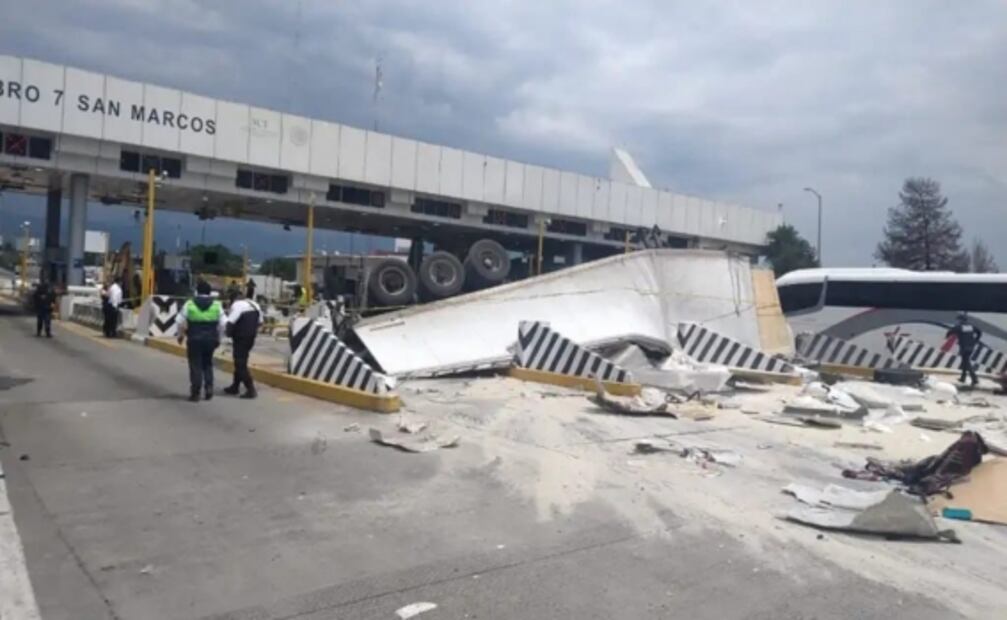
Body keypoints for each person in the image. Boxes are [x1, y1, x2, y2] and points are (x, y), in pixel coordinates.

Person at [177, 280, 226, 402]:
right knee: (207, 364)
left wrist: (180, 335)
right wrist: (219, 338)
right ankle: (209, 388)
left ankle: (196, 392)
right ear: (210, 292)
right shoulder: (217, 305)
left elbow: (178, 321)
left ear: (197, 291)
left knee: (195, 365)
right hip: (210, 339)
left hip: (194, 339)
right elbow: (224, 323)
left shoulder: (189, 303)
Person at [224, 289, 262, 398]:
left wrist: (228, 334)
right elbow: (260, 322)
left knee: (240, 364)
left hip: (240, 337)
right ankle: (235, 386)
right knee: (241, 361)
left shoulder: (237, 305)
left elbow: (230, 322)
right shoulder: (255, 304)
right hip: (251, 337)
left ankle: (251, 389)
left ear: (233, 299)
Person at [947, 312, 982, 387]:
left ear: (960, 320)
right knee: (965, 361)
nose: (957, 321)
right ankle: (963, 378)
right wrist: (976, 340)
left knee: (966, 363)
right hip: (971, 346)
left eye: (958, 320)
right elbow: (979, 332)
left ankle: (974, 379)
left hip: (964, 347)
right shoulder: (971, 326)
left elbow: (950, 332)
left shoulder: (959, 327)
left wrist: (947, 336)